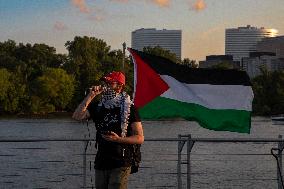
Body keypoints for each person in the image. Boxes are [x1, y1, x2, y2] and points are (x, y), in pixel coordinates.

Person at [72, 71, 144, 189]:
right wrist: (91, 96)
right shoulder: (98, 106)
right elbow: (77, 116)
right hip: (101, 161)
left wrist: (118, 139)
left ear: (120, 86)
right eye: (104, 82)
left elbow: (140, 138)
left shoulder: (130, 107)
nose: (105, 85)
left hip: (121, 161)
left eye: (110, 83)